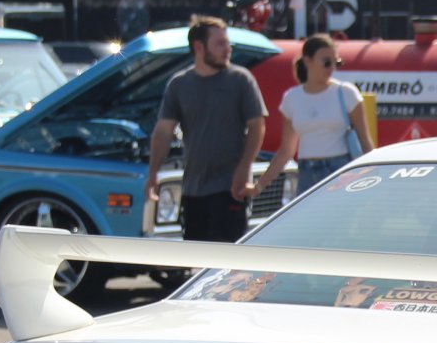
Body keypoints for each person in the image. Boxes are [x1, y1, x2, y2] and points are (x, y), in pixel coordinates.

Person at [145, 16, 267, 243]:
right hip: (194, 190)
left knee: (228, 260)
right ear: (199, 47)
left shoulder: (240, 80)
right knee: (198, 260)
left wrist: (245, 167)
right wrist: (153, 173)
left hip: (231, 188)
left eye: (227, 43)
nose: (228, 49)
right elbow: (164, 131)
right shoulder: (179, 84)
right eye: (220, 43)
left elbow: (257, 126)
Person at [255, 34, 375, 198]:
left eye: (336, 63)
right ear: (307, 61)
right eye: (326, 62)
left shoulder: (346, 93)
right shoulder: (292, 98)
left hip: (341, 169)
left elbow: (365, 141)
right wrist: (259, 186)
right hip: (307, 171)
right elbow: (286, 151)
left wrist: (371, 175)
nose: (332, 68)